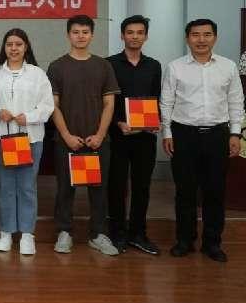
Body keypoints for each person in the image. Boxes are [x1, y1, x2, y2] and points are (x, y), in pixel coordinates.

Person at [161, 18, 244, 263]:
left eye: (207, 35)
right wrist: (167, 133)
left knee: (215, 191)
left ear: (215, 38)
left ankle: (212, 243)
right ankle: (184, 240)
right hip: (183, 135)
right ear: (187, 39)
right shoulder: (175, 67)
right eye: (195, 35)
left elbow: (236, 101)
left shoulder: (228, 67)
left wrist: (235, 133)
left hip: (218, 135)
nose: (201, 40)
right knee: (185, 191)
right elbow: (166, 102)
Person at [47, 15, 120, 256]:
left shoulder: (103, 66)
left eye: (85, 32)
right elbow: (53, 105)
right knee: (65, 189)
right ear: (68, 35)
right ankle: (64, 232)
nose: (80, 36)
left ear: (92, 35)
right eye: (76, 32)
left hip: (98, 141)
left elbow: (109, 104)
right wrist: (66, 135)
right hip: (66, 141)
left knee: (98, 189)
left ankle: (98, 234)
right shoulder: (57, 66)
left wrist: (100, 135)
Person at [0, 28, 53, 256]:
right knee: (5, 186)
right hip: (1, 138)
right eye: (9, 44)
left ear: (26, 47)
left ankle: (27, 234)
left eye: (18, 44)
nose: (14, 48)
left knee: (27, 186)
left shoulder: (37, 74)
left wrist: (30, 117)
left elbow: (47, 106)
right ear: (4, 48)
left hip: (30, 138)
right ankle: (5, 232)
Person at [106, 15, 162, 255]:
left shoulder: (154, 65)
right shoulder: (109, 64)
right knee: (116, 186)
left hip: (145, 136)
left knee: (142, 186)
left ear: (146, 36)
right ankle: (117, 232)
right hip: (117, 134)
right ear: (122, 35)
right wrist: (118, 122)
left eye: (140, 32)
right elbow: (105, 100)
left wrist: (155, 121)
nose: (135, 36)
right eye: (130, 32)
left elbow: (157, 98)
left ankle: (138, 233)